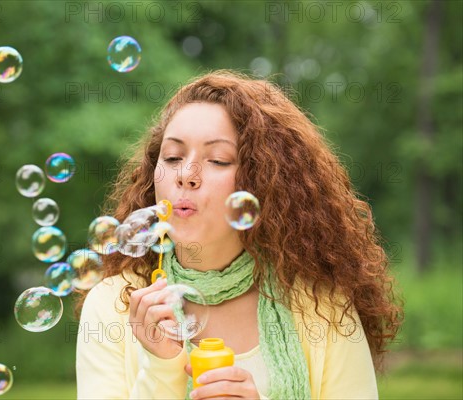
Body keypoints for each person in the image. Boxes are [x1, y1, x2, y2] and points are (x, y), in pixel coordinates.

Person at [75, 70, 402, 399]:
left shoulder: (323, 306)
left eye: (217, 160)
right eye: (172, 157)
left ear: (263, 179)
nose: (186, 174)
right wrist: (162, 366)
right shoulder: (112, 304)